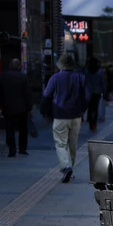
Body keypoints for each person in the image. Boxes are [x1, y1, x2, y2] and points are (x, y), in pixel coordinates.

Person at [41, 53, 90, 183]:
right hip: (76, 115)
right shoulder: (81, 77)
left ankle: (66, 167)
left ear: (60, 65)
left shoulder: (55, 78)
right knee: (73, 144)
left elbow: (46, 95)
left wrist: (44, 111)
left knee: (61, 143)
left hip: (60, 115)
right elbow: (87, 97)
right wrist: (82, 110)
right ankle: (70, 169)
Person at [0, 58, 32, 157]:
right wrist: (29, 107)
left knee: (9, 128)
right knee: (23, 129)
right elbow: (27, 94)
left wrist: (1, 104)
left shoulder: (2, 76)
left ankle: (12, 149)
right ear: (19, 66)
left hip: (8, 107)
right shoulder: (23, 77)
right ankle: (22, 148)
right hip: (22, 108)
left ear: (10, 66)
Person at [84, 57, 105, 131]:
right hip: (97, 92)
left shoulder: (86, 71)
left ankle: (91, 123)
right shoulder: (100, 72)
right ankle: (94, 124)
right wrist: (104, 91)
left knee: (89, 108)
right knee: (95, 109)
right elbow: (103, 83)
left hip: (88, 92)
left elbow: (84, 82)